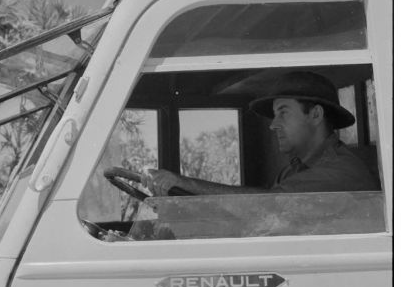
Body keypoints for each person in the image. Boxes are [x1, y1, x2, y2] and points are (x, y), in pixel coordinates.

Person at [142, 71, 379, 196]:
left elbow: (265, 204)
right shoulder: (293, 169)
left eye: (283, 113)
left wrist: (184, 183)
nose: (273, 124)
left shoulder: (339, 172)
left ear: (315, 115)